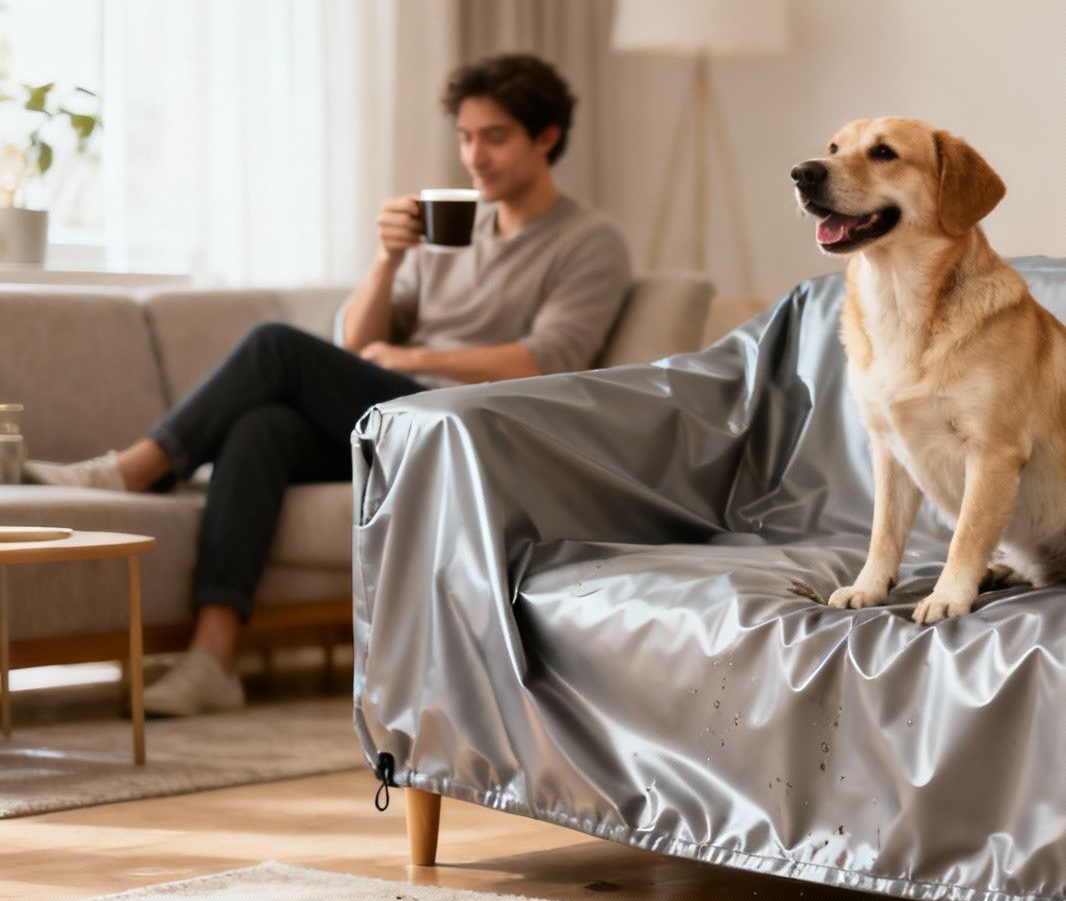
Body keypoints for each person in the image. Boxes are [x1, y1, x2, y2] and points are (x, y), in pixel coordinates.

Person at [23, 53, 632, 716]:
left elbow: (549, 359)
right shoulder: (453, 232)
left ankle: (133, 470)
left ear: (546, 137)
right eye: (464, 136)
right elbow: (353, 342)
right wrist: (387, 259)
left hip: (470, 423)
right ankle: (212, 659)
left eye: (495, 136)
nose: (474, 156)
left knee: (274, 345)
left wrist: (405, 357)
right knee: (262, 430)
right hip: (396, 412)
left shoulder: (589, 241)